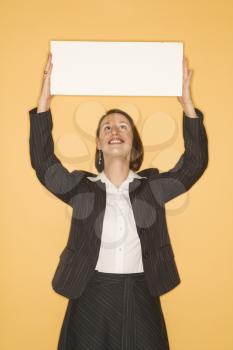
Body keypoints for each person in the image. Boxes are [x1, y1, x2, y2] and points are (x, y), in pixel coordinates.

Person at [29, 52, 208, 350]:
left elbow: (194, 163)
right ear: (99, 143)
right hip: (90, 292)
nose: (115, 130)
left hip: (141, 293)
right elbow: (44, 163)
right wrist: (44, 103)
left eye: (123, 126)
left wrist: (188, 106)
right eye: (107, 127)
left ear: (133, 143)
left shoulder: (153, 189)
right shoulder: (81, 189)